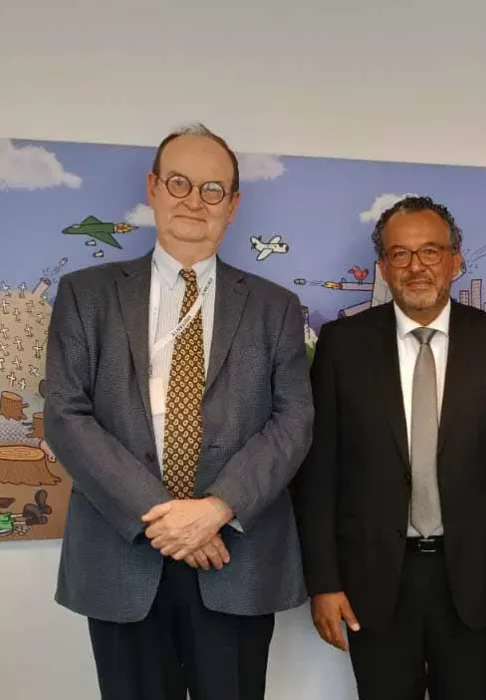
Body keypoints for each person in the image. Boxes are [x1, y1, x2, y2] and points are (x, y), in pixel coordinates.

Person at [44, 124, 314, 700]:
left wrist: (216, 509)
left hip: (236, 557)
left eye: (213, 189)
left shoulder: (276, 307)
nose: (195, 200)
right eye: (179, 183)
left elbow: (293, 422)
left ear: (233, 204)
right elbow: (66, 415)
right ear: (153, 188)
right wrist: (165, 517)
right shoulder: (85, 295)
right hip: (121, 555)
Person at [292, 195, 486, 699]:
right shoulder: (343, 345)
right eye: (400, 254)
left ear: (455, 261)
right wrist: (323, 581)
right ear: (383, 267)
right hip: (372, 576)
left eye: (431, 251)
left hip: (478, 575)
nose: (416, 267)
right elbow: (319, 473)